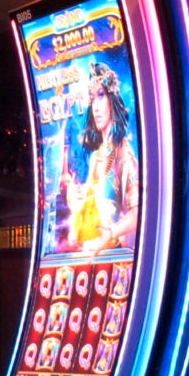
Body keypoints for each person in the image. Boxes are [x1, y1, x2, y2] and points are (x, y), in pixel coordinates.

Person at [67, 62, 139, 253]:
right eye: (92, 99)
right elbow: (84, 216)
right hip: (90, 256)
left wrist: (110, 232)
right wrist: (75, 202)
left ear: (112, 99)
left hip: (113, 255)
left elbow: (137, 213)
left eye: (101, 96)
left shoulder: (123, 151)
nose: (96, 107)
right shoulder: (96, 156)